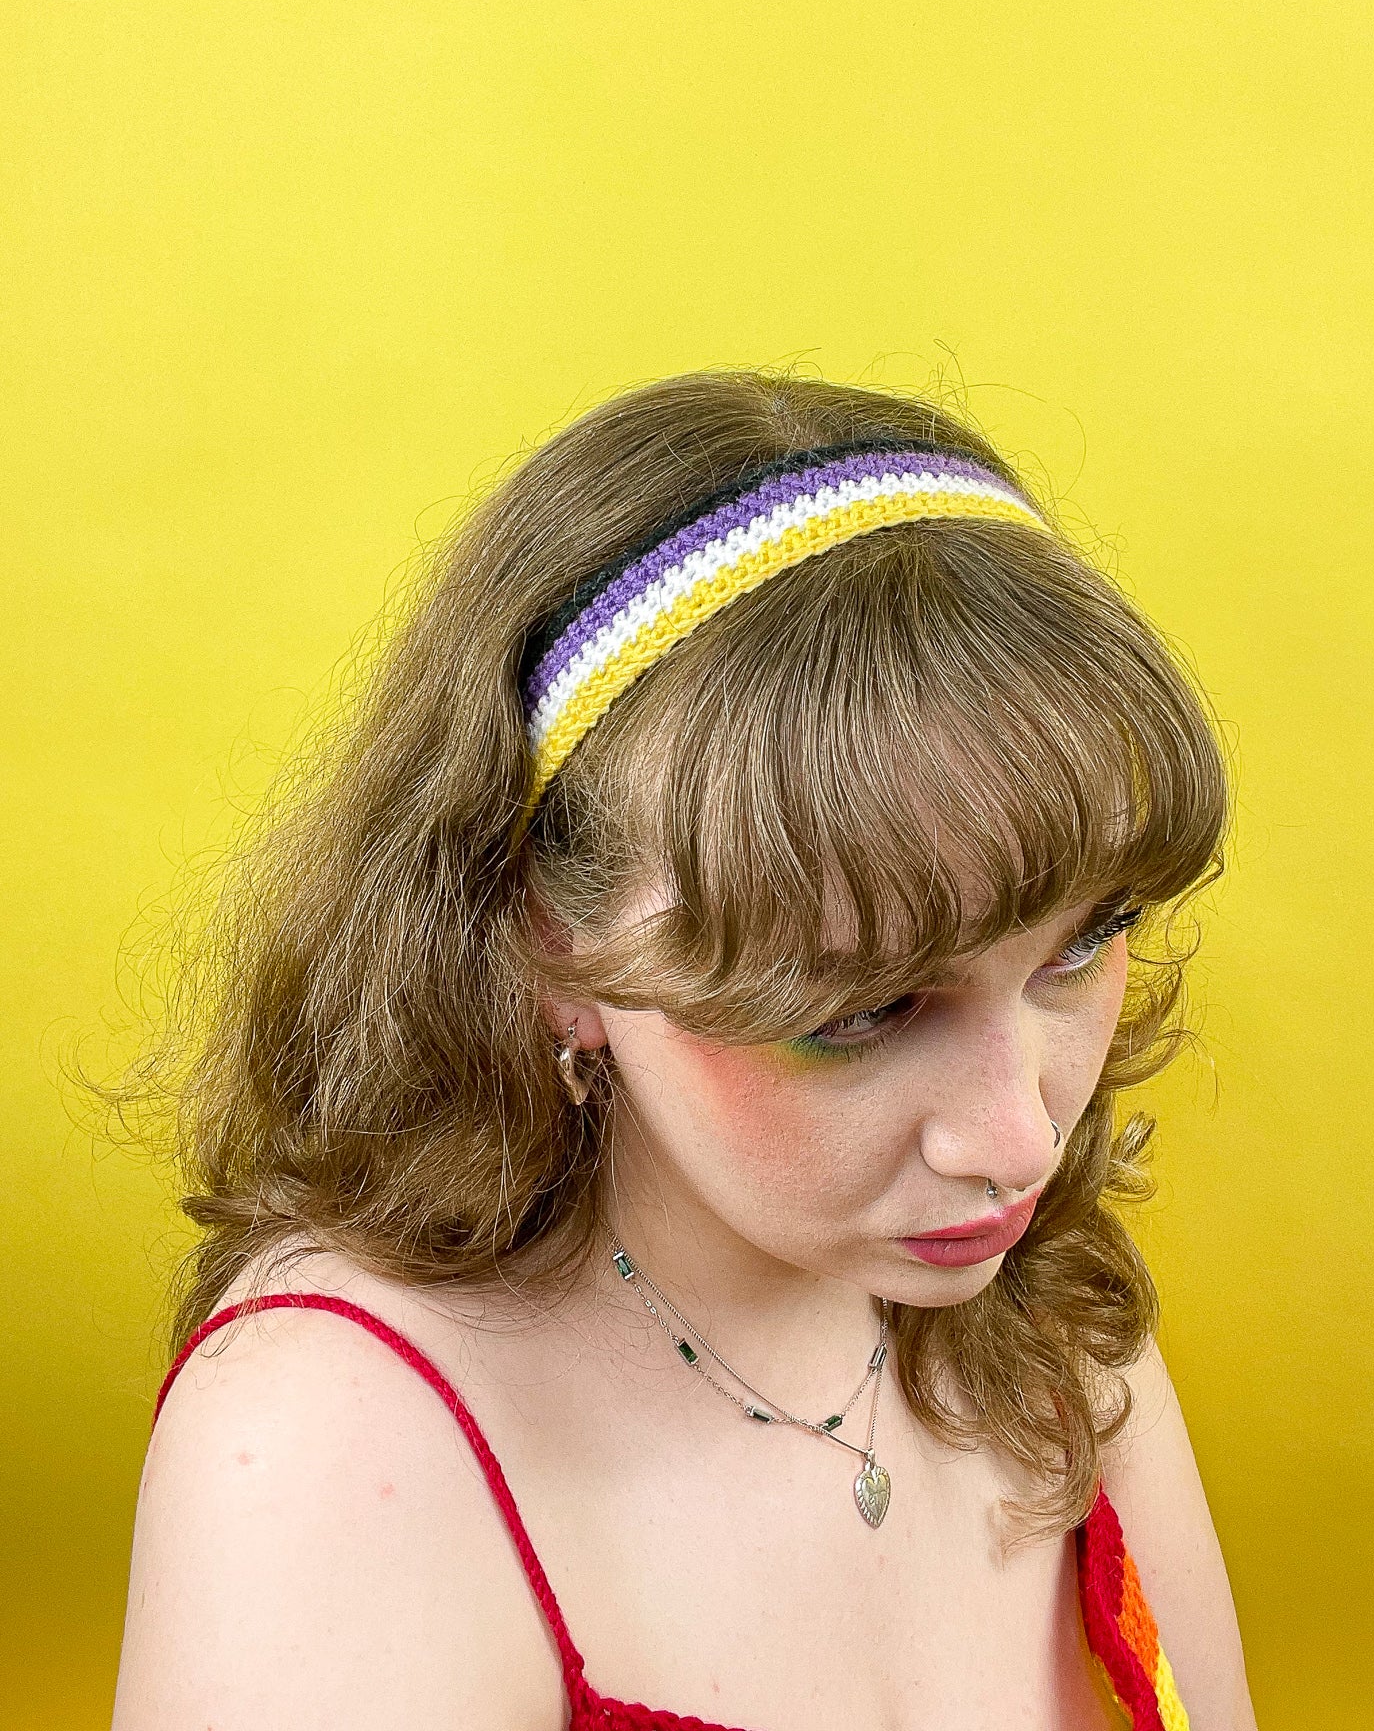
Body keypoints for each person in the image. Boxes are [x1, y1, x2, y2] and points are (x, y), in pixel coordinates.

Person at [113, 369, 1259, 1730]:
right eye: (868, 1010)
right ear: (552, 942)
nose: (1019, 1140)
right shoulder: (331, 1446)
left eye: (1083, 942)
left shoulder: (1050, 1319)